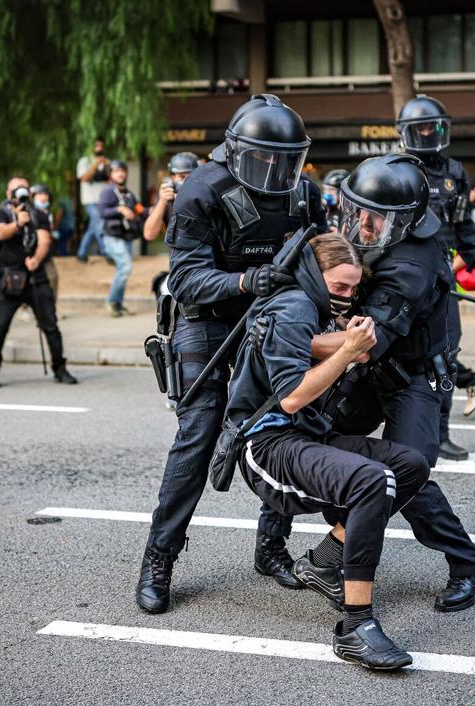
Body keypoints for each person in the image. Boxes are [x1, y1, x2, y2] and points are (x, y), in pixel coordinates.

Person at [136, 94, 326, 615]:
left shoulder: (305, 193)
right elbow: (185, 279)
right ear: (237, 150)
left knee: (288, 426)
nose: (275, 168)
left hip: (271, 321)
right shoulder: (201, 190)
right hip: (206, 323)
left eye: (285, 159)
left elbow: (325, 255)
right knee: (197, 437)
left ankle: (271, 548)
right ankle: (160, 557)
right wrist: (247, 279)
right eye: (264, 157)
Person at [297, 153, 475, 611]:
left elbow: (362, 345)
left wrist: (289, 337)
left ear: (403, 222)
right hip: (370, 370)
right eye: (356, 210)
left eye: (375, 217)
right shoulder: (361, 234)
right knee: (322, 442)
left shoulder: (413, 265)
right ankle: (320, 544)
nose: (361, 223)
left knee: (409, 470)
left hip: (414, 377)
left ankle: (468, 565)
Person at [226, 232, 430, 669]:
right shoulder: (293, 305)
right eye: (340, 287)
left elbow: (304, 345)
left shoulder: (314, 308)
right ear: (314, 275)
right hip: (269, 443)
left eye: (354, 288)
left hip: (307, 434)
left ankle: (323, 563)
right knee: (371, 481)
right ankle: (356, 626)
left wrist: (352, 343)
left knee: (410, 464)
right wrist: (350, 351)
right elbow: (292, 398)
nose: (348, 296)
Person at [396, 94, 475, 460]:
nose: (427, 132)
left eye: (432, 126)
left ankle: (440, 434)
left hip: (442, 283)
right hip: (401, 280)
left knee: (446, 355)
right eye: (420, 127)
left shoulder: (454, 172)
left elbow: (462, 226)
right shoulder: (396, 169)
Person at [0, 177, 77, 387]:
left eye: (23, 189)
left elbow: (45, 239)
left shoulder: (39, 214)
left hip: (36, 278)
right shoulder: (1, 213)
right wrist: (18, 223)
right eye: (15, 189)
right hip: (9, 278)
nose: (20, 193)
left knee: (50, 325)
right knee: (0, 326)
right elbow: (0, 233)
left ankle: (60, 369)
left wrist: (36, 259)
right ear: (8, 192)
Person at [98, 160, 146, 317]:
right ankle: (111, 301)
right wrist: (120, 209)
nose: (121, 173)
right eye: (117, 171)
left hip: (127, 237)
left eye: (123, 170)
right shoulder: (108, 192)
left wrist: (155, 208)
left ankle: (118, 304)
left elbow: (140, 210)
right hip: (112, 236)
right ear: (110, 174)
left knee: (123, 270)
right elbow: (102, 212)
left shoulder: (128, 193)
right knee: (125, 267)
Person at [143, 152, 198, 242]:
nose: (184, 181)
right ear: (172, 177)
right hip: (178, 253)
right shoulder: (167, 196)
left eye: (187, 177)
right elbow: (149, 234)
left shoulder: (204, 194)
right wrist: (162, 202)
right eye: (180, 176)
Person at [75, 137, 110, 262]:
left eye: (101, 146)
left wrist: (107, 166)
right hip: (89, 200)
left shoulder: (105, 162)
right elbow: (83, 178)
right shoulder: (84, 161)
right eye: (97, 145)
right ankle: (106, 253)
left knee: (92, 227)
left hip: (102, 200)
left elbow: (111, 180)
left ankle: (81, 253)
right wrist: (96, 164)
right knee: (100, 224)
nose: (99, 148)